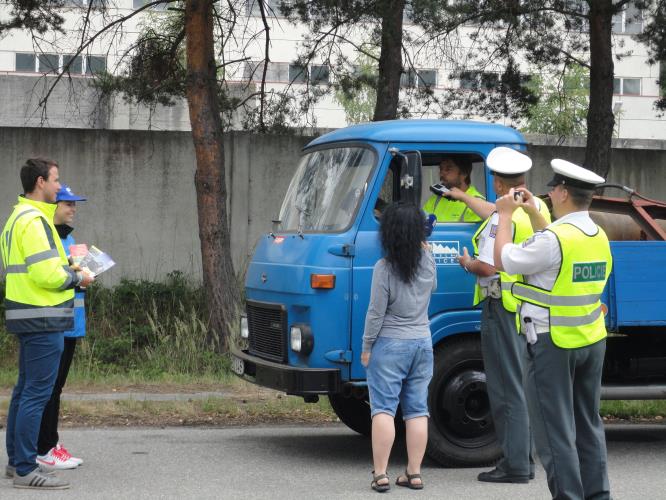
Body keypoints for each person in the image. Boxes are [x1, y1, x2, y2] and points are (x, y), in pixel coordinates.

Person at [493, 159, 612, 500]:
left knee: (554, 431)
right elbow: (554, 248)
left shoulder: (554, 238)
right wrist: (534, 214)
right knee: (588, 425)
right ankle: (599, 495)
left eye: (552, 189)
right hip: (591, 340)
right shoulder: (597, 235)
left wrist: (504, 216)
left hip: (552, 344)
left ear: (561, 193)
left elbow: (505, 260)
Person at [457, 147, 551, 484]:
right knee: (520, 385)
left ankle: (515, 465)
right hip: (526, 309)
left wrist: (468, 263)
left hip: (502, 308)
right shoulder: (536, 208)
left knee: (504, 388)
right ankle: (522, 460)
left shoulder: (503, 218)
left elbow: (490, 264)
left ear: (497, 182)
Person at [1, 158, 94, 490]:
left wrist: (65, 265)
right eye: (56, 180)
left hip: (27, 314)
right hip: (43, 317)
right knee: (36, 394)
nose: (59, 185)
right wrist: (77, 276)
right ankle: (26, 468)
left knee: (25, 391)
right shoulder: (36, 220)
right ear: (40, 182)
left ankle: (17, 463)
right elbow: (45, 274)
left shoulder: (17, 217)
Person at [361, 202, 437, 493]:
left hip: (390, 344)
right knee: (417, 410)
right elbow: (432, 288)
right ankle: (413, 473)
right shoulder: (428, 260)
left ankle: (381, 474)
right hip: (422, 342)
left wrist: (367, 346)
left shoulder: (384, 268)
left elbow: (376, 313)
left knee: (383, 408)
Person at [36, 185, 88, 470]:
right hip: (55, 322)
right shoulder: (47, 239)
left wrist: (87, 274)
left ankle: (48, 442)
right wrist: (76, 275)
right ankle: (45, 447)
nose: (73, 209)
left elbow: (77, 277)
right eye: (67, 204)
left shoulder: (72, 239)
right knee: (49, 388)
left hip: (72, 323)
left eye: (75, 204)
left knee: (57, 387)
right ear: (53, 207)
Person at [422, 156, 486, 222]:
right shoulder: (435, 199)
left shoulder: (478, 203)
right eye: (441, 169)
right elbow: (421, 224)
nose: (442, 173)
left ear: (464, 173)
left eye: (448, 169)